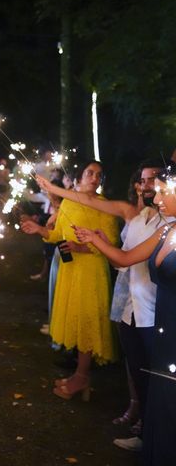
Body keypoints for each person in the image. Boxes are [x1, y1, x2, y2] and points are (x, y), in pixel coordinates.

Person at [38, 161, 170, 451]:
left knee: (155, 373)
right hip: (128, 299)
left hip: (155, 305)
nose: (151, 189)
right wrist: (53, 190)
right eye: (146, 182)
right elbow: (88, 205)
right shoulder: (133, 212)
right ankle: (139, 416)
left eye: (157, 183)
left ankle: (153, 434)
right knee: (135, 367)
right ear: (137, 185)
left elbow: (121, 257)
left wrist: (96, 242)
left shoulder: (167, 226)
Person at [73, 171, 176, 466]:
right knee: (160, 404)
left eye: (163, 192)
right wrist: (95, 239)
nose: (156, 199)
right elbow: (124, 258)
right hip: (163, 330)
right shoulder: (166, 232)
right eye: (155, 192)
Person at [21, 160, 119, 400]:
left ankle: (82, 376)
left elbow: (112, 243)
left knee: (86, 320)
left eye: (99, 174)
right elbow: (56, 234)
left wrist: (81, 246)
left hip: (91, 272)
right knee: (75, 318)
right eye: (89, 173)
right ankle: (78, 374)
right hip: (70, 269)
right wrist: (38, 229)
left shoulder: (104, 206)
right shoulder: (68, 202)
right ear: (77, 178)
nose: (94, 178)